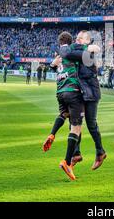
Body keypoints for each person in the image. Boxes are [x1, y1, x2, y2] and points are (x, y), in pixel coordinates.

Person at [57, 30, 107, 170]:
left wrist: (89, 47)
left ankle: (100, 152)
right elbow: (67, 52)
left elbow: (73, 51)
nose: (77, 40)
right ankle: (76, 154)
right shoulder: (81, 50)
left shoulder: (87, 54)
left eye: (81, 38)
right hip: (81, 93)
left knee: (91, 124)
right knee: (74, 123)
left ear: (88, 41)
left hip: (90, 92)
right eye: (77, 38)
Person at [43, 32, 84, 181]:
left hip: (60, 92)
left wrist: (52, 64)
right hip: (72, 91)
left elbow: (53, 66)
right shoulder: (72, 51)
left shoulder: (58, 54)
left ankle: (52, 133)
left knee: (65, 114)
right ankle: (67, 162)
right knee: (76, 127)